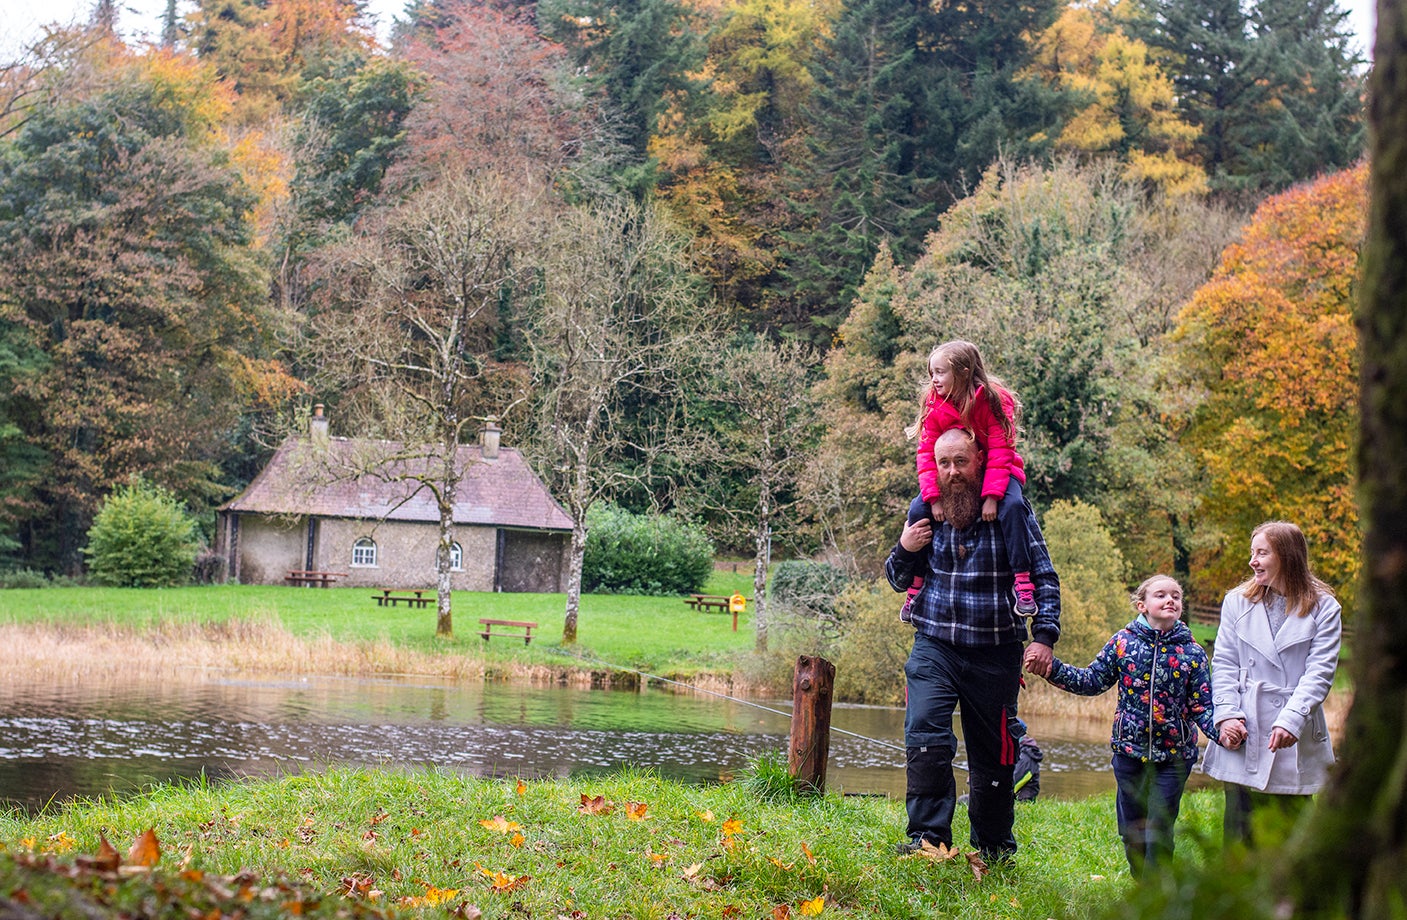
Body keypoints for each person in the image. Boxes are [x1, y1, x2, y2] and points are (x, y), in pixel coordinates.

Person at [886, 428, 1061, 863]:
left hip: (996, 650)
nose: (952, 472)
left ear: (980, 459)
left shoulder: (1009, 511)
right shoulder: (927, 510)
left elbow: (1045, 577)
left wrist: (1044, 636)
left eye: (960, 462)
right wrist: (905, 548)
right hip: (934, 646)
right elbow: (896, 579)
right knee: (925, 732)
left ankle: (994, 845)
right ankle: (928, 839)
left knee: (995, 756)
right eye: (944, 464)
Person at [1040, 575, 1219, 875]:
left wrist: (1224, 732)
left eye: (1176, 596)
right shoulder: (1123, 643)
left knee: (1160, 828)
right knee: (1132, 832)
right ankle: (1142, 885)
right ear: (1142, 605)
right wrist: (1052, 669)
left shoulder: (1193, 653)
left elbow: (1202, 707)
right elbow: (1091, 681)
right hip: (1129, 752)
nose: (1170, 600)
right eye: (1161, 595)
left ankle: (1155, 896)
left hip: (1174, 757)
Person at [1202, 521, 1342, 847]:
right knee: (1239, 832)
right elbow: (1223, 663)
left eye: (1262, 553)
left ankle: (1287, 897)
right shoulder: (1236, 602)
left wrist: (1292, 720)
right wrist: (1226, 715)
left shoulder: (1325, 608)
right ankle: (1237, 896)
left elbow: (1319, 672)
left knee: (1290, 835)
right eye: (1252, 552)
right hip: (1245, 726)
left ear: (1287, 556)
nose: (1252, 561)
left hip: (1295, 729)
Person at [900, 340, 1035, 622]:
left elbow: (1001, 450)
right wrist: (933, 496)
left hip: (998, 472)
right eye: (932, 373)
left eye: (940, 372)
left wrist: (992, 496)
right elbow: (926, 452)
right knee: (917, 512)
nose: (934, 379)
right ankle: (915, 587)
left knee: (1012, 509)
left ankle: (1023, 580)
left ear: (962, 372)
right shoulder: (934, 403)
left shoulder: (993, 400)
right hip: (953, 473)